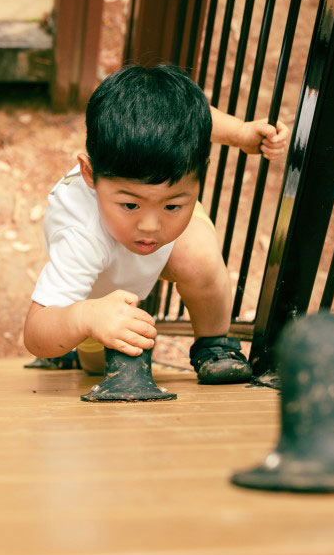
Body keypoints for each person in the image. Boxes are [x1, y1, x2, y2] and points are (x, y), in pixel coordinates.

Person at [23, 64, 288, 383]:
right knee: (102, 366)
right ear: (90, 175)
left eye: (173, 204)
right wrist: (84, 317)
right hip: (101, 286)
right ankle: (75, 351)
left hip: (145, 234)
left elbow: (194, 119)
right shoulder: (82, 236)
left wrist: (241, 133)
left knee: (199, 255)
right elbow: (36, 332)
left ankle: (214, 345)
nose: (150, 225)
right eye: (131, 204)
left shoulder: (154, 206)